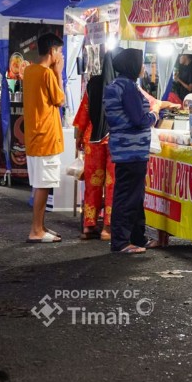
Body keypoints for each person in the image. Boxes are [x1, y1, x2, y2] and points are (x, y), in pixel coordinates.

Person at [104, 48, 177, 253]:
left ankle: (137, 237)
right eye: (141, 64)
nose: (143, 68)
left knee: (134, 195)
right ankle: (120, 242)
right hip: (131, 150)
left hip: (125, 149)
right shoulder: (127, 87)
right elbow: (139, 120)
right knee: (127, 196)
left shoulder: (118, 85)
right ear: (132, 66)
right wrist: (154, 113)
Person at [22, 33, 65, 243]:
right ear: (52, 51)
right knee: (43, 185)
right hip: (45, 136)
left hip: (34, 135)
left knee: (41, 183)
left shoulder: (29, 70)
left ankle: (41, 226)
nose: (61, 56)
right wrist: (59, 73)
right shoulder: (47, 73)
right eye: (60, 52)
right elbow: (60, 99)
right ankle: (36, 230)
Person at [73, 74, 114, 241]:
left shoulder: (93, 83)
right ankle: (107, 228)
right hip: (113, 137)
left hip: (93, 137)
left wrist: (78, 139)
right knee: (113, 184)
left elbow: (84, 111)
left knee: (93, 183)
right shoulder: (119, 82)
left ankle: (88, 226)